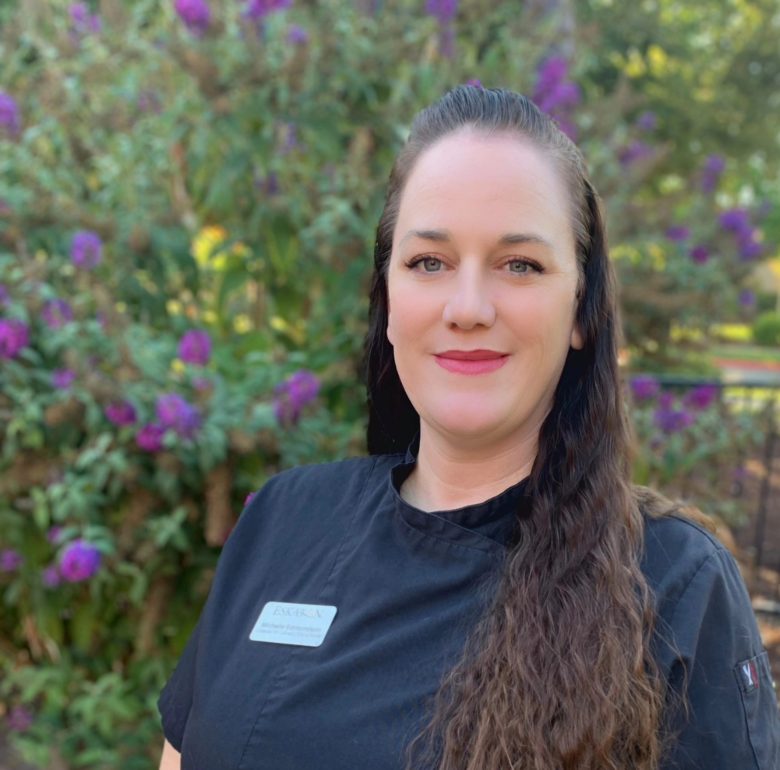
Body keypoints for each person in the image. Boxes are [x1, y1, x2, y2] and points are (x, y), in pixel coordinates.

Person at [157, 86, 780, 770]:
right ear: (389, 299)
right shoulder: (284, 519)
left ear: (580, 310)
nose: (469, 306)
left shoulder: (673, 586)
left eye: (521, 265)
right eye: (429, 262)